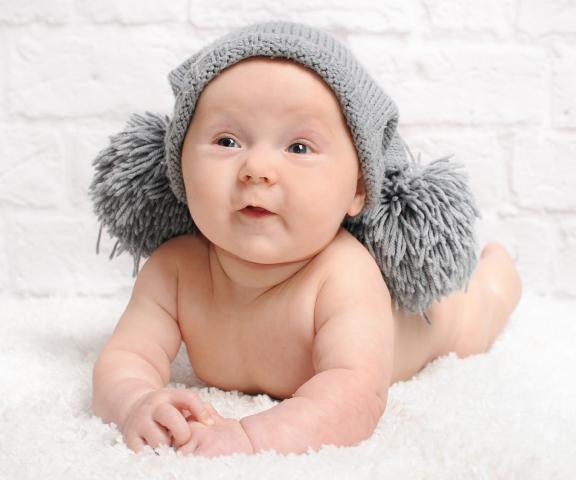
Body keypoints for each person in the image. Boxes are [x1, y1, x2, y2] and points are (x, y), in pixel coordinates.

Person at [89, 22, 522, 458]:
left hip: (425, 324)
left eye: (298, 148)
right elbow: (127, 358)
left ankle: (498, 276)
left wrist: (251, 437)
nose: (257, 169)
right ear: (179, 165)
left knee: (472, 315)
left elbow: (355, 397)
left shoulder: (343, 276)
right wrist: (134, 402)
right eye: (227, 140)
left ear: (358, 188)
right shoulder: (174, 270)